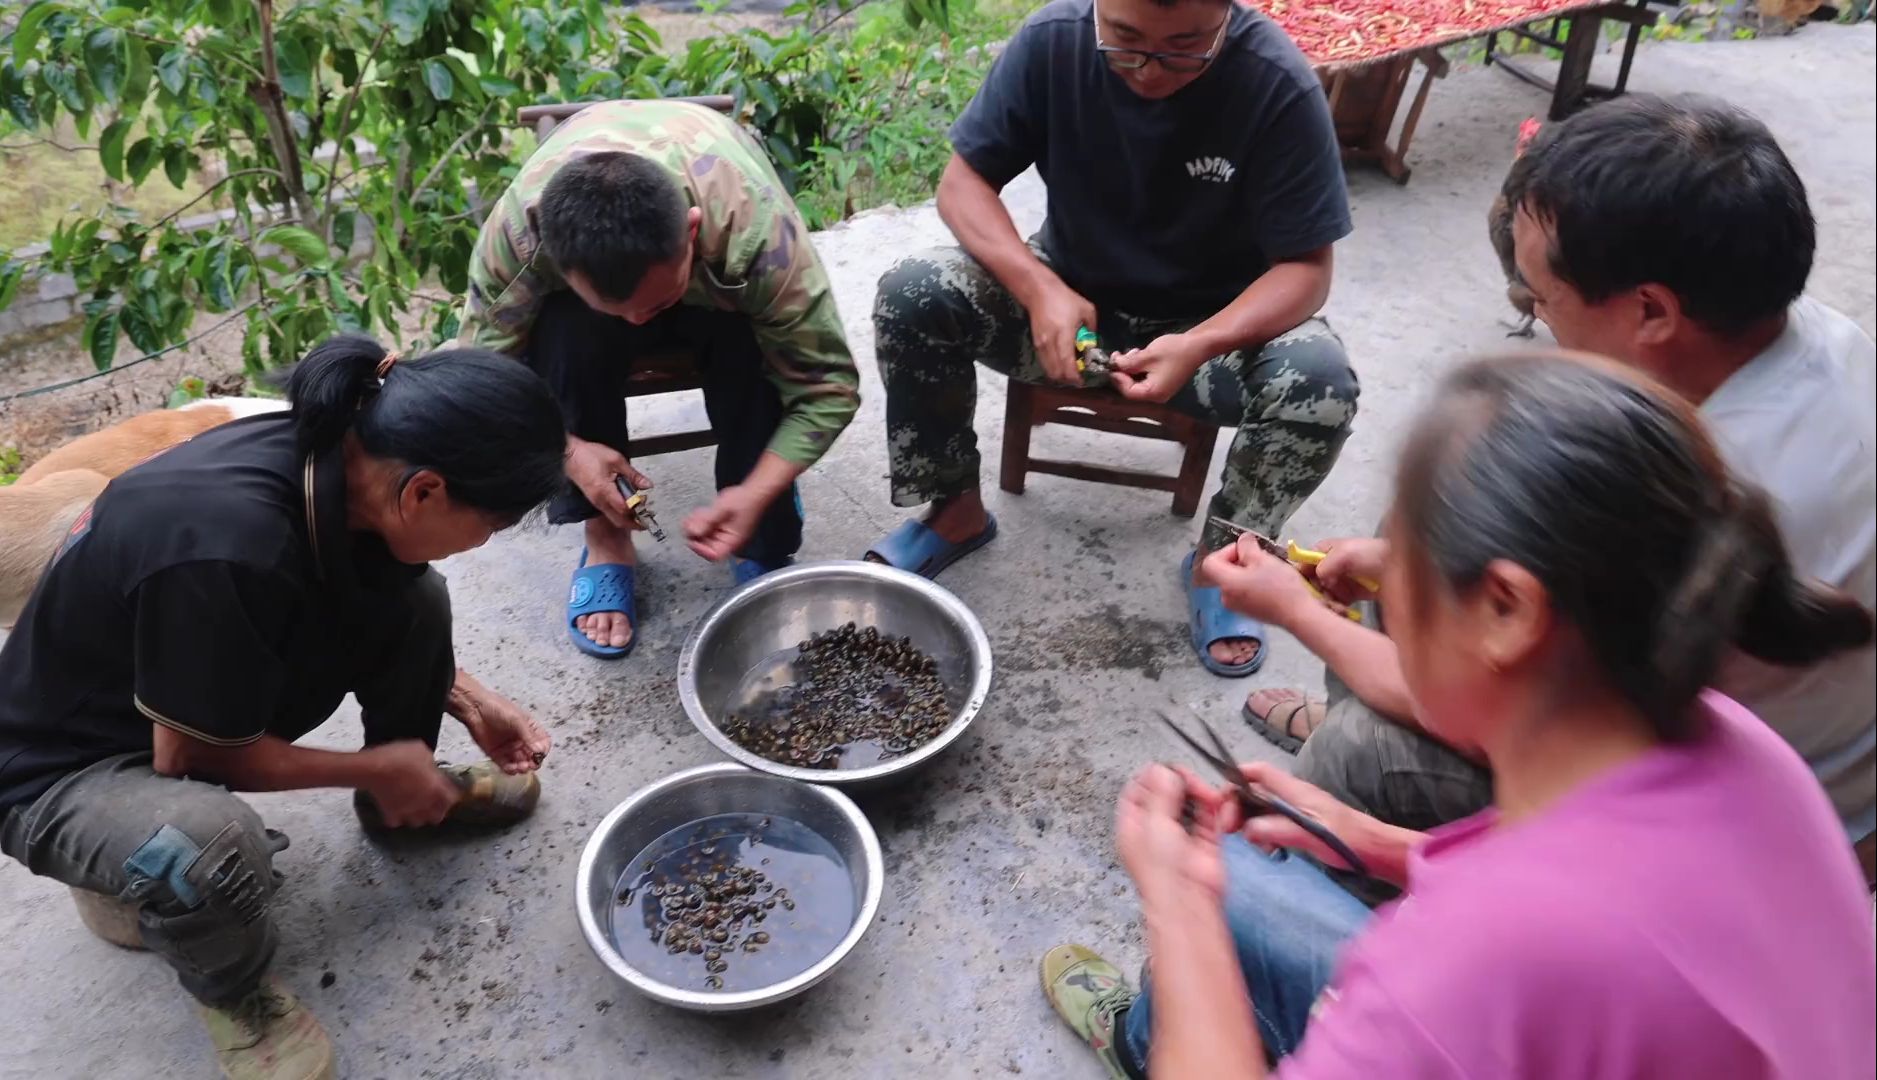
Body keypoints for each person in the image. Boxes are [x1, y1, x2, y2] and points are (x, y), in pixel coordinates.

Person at [1042, 351, 1877, 1078]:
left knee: (1226, 894)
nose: (1380, 582)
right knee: (1258, 868)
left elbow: (1516, 947)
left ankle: (1143, 1047)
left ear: (1508, 610)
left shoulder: (1471, 965)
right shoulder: (1736, 749)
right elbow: (1582, 896)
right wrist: (1373, 842)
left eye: (1402, 554)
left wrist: (1178, 903)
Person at [1236, 93, 1877, 883]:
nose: (1536, 320)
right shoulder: (1811, 335)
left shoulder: (1668, 497)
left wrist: (1295, 611)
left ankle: (1293, 941)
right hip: (1807, 758)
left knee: (1355, 758)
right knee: (1420, 530)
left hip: (1723, 838)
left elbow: (1480, 714)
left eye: (1539, 301)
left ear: (1650, 311)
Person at [0, 335, 567, 1080]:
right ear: (424, 490)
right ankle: (237, 998)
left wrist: (463, 697)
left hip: (170, 690)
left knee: (415, 597)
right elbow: (191, 758)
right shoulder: (225, 544)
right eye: (487, 526)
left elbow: (356, 603)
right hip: (63, 769)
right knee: (209, 843)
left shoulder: (339, 454)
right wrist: (368, 761)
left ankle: (397, 801)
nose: (482, 544)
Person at [865, 0, 1358, 677]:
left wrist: (1201, 341)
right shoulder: (1051, 42)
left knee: (1320, 385)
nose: (1148, 69)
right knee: (913, 291)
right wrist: (1038, 290)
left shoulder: (1276, 84)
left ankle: (1228, 561)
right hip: (1068, 308)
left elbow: (1305, 270)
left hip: (1207, 336)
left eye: (1184, 45)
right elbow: (962, 182)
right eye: (1123, 40)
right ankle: (952, 508)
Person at [457, 99, 860, 660]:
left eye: (656, 302)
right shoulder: (519, 240)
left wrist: (756, 490)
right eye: (619, 311)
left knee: (753, 349)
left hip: (722, 294)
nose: (639, 327)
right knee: (566, 334)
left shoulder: (759, 237)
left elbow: (828, 387)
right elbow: (479, 383)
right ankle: (605, 535)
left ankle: (762, 535)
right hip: (589, 308)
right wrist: (567, 452)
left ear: (692, 230)